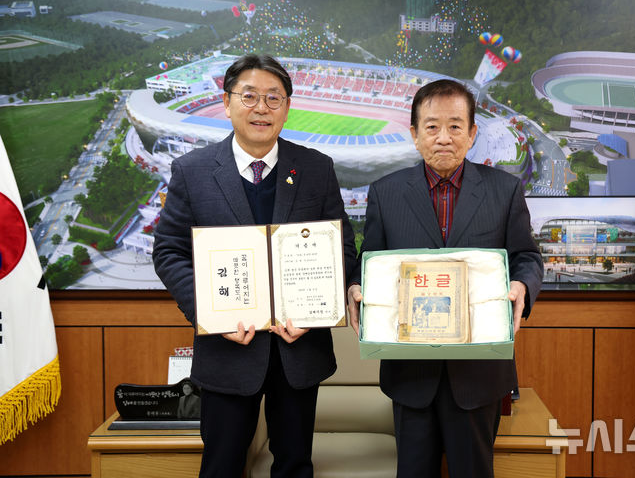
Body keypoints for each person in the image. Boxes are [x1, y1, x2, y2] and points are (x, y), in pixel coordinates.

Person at [153, 54, 356, 478]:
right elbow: (169, 252)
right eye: (249, 96)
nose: (261, 108)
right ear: (226, 104)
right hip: (227, 351)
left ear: (286, 107)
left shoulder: (316, 169)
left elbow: (343, 251)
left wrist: (316, 311)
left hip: (298, 351)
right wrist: (210, 314)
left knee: (295, 465)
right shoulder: (192, 172)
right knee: (222, 465)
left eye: (273, 98)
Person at [347, 79, 543, 478]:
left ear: (472, 134)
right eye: (432, 126)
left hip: (478, 374)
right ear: (414, 134)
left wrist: (523, 284)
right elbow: (370, 262)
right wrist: (356, 285)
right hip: (410, 373)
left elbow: (526, 257)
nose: (443, 138)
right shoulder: (386, 192)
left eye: (455, 126)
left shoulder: (504, 191)